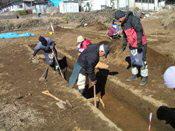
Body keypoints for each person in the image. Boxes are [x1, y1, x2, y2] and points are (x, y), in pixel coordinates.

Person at [114, 10, 148, 86]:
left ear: (122, 16)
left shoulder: (133, 19)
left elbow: (139, 30)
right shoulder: (123, 23)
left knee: (142, 61)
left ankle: (144, 77)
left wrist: (139, 43)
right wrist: (124, 45)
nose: (118, 21)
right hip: (132, 44)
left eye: (119, 19)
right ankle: (134, 75)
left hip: (141, 43)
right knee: (134, 60)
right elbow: (125, 35)